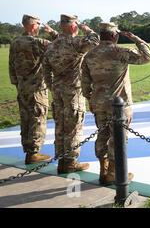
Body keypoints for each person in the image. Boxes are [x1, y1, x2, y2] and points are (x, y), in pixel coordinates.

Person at [81, 23, 150, 185]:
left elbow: (85, 83)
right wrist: (135, 38)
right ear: (115, 36)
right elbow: (147, 57)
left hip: (98, 104)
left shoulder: (90, 55)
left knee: (102, 135)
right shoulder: (120, 51)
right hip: (119, 105)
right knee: (118, 139)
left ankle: (103, 170)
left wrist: (90, 99)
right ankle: (114, 173)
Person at [43, 14, 99, 174]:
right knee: (73, 126)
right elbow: (95, 41)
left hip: (58, 91)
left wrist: (52, 87)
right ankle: (70, 162)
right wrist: (88, 30)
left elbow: (46, 71)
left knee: (60, 125)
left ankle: (61, 159)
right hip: (73, 91)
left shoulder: (52, 46)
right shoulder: (75, 43)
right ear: (74, 26)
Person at [9, 15, 58, 164]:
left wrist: (16, 83)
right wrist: (52, 32)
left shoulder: (15, 42)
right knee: (38, 119)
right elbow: (60, 46)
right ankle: (33, 153)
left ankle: (28, 150)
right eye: (37, 24)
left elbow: (11, 65)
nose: (39, 27)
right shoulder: (37, 42)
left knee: (26, 119)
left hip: (22, 88)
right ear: (31, 26)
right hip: (36, 88)